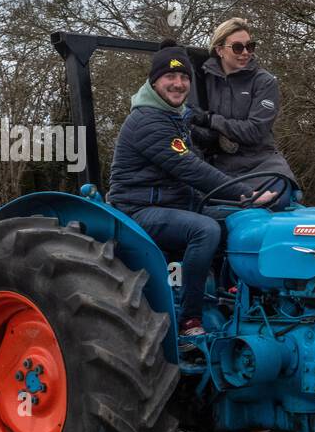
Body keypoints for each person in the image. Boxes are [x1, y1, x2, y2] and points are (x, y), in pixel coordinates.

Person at [107, 44, 273, 340]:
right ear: (154, 81)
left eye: (184, 77)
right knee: (205, 230)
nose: (178, 83)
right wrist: (246, 193)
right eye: (170, 76)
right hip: (138, 211)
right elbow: (192, 170)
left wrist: (246, 203)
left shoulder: (175, 117)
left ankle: (234, 297)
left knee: (242, 221)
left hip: (175, 204)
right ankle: (189, 319)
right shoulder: (148, 121)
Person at [189, 17, 301, 208]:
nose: (246, 53)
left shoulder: (265, 82)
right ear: (219, 50)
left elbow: (255, 130)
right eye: (238, 48)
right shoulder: (200, 79)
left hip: (261, 164)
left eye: (250, 46)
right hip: (219, 168)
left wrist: (211, 120)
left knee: (275, 200)